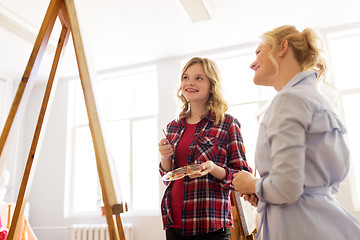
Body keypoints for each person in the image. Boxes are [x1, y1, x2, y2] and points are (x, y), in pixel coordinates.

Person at [232, 25, 360, 240]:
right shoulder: (316, 99)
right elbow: (314, 184)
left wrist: (250, 183)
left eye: (258, 52)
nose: (252, 63)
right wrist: (263, 194)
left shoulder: (288, 100)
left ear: (283, 47)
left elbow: (286, 187)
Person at [158, 57, 250, 240]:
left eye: (199, 78)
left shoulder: (227, 124)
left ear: (212, 85)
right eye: (186, 77)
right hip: (174, 222)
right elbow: (167, 178)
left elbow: (242, 177)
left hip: (210, 224)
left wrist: (214, 169)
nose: (190, 83)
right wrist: (164, 157)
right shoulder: (173, 127)